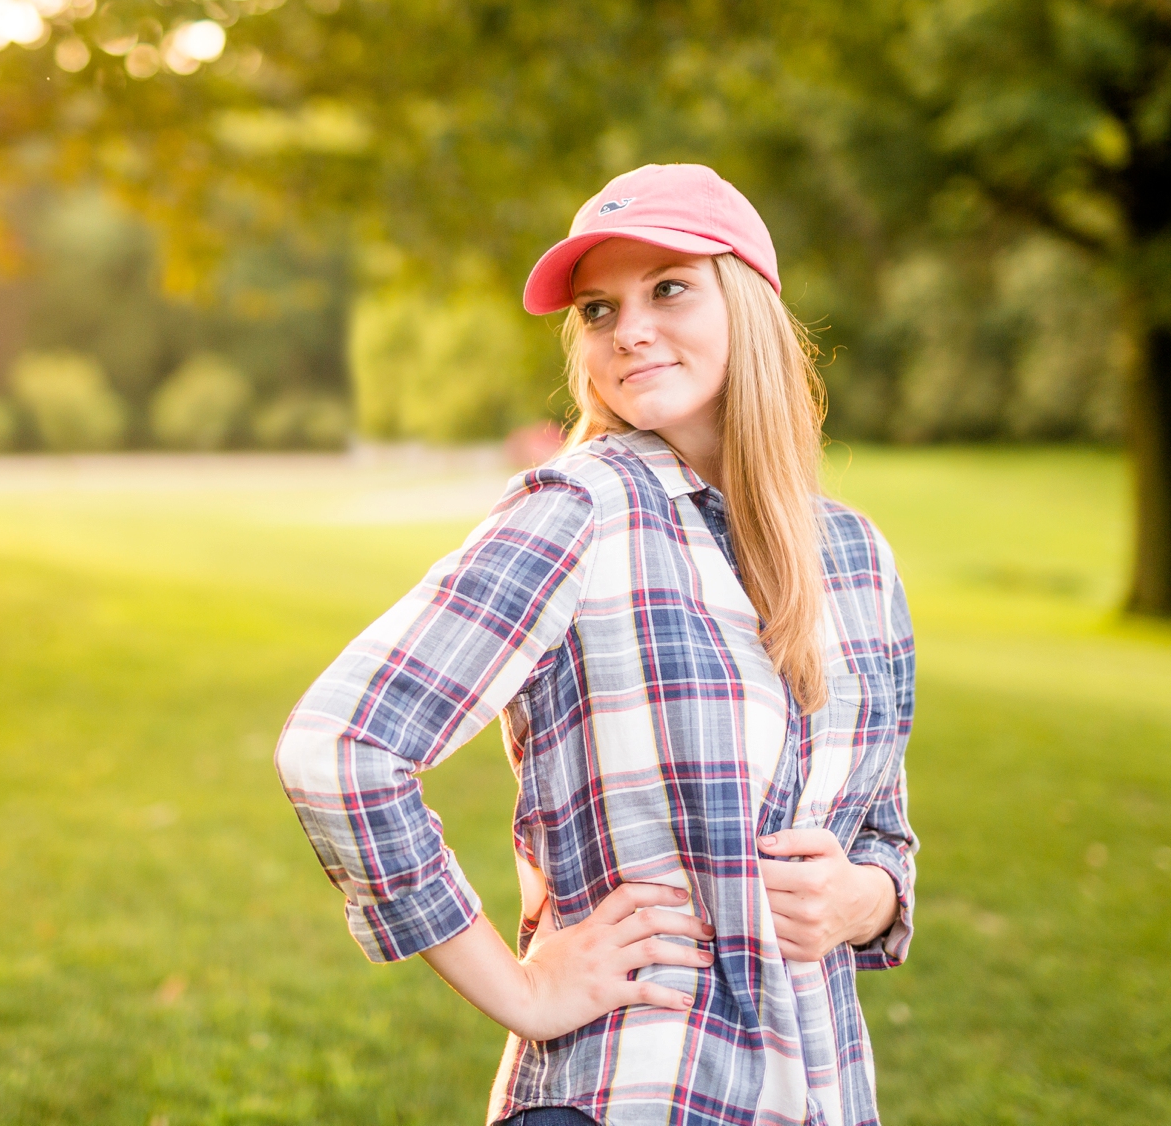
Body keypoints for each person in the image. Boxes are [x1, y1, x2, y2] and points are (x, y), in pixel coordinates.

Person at [276, 163, 917, 1126]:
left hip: (822, 1090)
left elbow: (884, 841)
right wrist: (520, 991)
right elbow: (341, 748)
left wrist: (861, 899)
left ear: (747, 299)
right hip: (635, 1087)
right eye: (598, 309)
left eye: (668, 288)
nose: (631, 330)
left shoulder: (857, 559)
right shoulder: (580, 508)